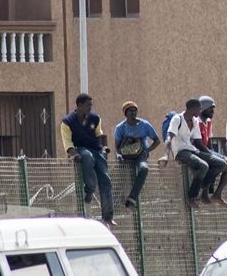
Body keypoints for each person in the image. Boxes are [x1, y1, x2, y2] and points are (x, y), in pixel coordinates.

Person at [60, 93, 117, 226]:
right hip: (80, 149)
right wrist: (74, 154)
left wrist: (104, 148)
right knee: (87, 157)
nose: (90, 108)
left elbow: (100, 135)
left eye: (91, 105)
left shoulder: (95, 118)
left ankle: (108, 216)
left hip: (95, 149)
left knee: (105, 180)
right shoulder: (67, 122)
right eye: (88, 105)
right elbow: (67, 144)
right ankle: (89, 190)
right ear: (79, 105)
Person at [166, 98, 226, 208]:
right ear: (193, 108)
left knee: (221, 163)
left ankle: (203, 186)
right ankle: (191, 197)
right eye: (199, 109)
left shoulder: (194, 121)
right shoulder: (177, 119)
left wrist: (211, 155)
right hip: (180, 152)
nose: (200, 112)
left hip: (192, 150)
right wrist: (166, 155)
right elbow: (169, 138)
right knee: (203, 166)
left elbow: (198, 141)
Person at [114, 101, 160, 210]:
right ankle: (117, 202)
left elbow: (157, 141)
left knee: (144, 169)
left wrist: (147, 150)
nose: (133, 113)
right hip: (126, 157)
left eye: (135, 110)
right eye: (130, 111)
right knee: (122, 179)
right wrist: (119, 155)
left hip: (141, 155)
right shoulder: (120, 127)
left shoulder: (144, 124)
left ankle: (132, 199)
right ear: (125, 113)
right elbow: (117, 146)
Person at [193, 96, 227, 206]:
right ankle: (204, 191)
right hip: (198, 151)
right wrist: (212, 154)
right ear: (203, 108)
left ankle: (217, 194)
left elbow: (208, 141)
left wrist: (215, 153)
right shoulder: (196, 122)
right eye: (211, 109)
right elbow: (198, 144)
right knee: (220, 163)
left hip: (206, 150)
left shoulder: (208, 121)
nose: (213, 112)